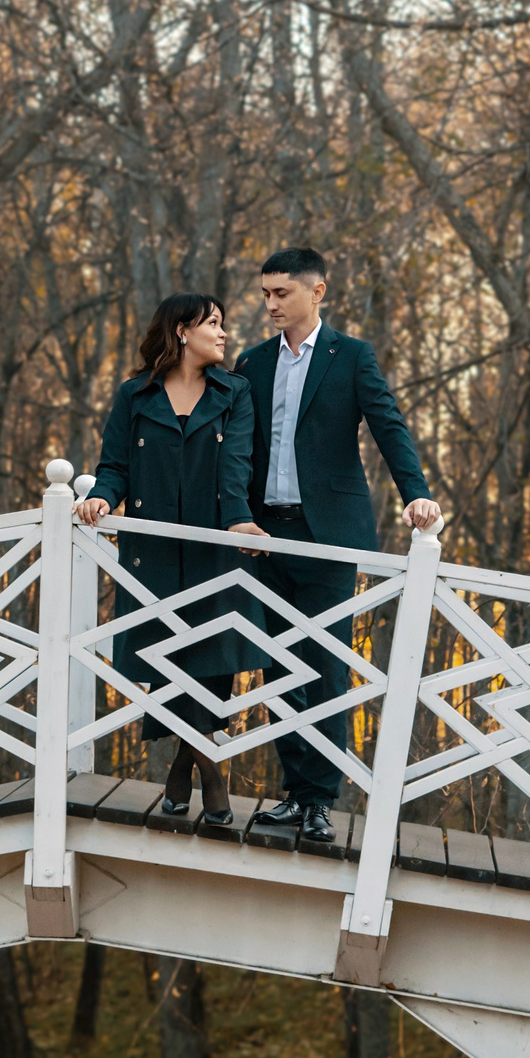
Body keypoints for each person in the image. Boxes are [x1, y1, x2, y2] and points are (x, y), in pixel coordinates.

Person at [234, 247, 441, 846]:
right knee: (277, 665)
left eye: (282, 293)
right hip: (263, 535)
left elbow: (389, 426)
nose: (271, 304)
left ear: (317, 292)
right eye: (266, 294)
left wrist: (417, 495)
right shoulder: (250, 362)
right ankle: (293, 794)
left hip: (328, 533)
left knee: (325, 663)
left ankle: (320, 800)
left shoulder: (350, 356)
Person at [76, 293, 270, 824]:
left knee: (210, 665)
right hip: (153, 557)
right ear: (182, 331)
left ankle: (188, 770)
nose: (224, 333)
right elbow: (113, 464)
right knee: (168, 664)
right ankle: (210, 772)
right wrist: (100, 497)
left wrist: (237, 520)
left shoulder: (236, 392)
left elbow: (237, 465)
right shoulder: (134, 395)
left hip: (217, 549)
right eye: (213, 323)